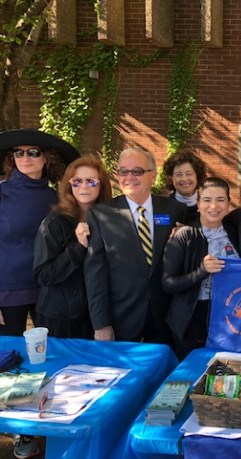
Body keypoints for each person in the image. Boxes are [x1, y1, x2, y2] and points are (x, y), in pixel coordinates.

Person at [0, 129, 79, 459]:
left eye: (33, 152)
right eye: (19, 153)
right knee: (11, 362)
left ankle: (50, 420)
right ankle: (20, 430)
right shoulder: (1, 193)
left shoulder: (56, 198)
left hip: (49, 288)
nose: (25, 158)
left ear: (47, 158)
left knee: (49, 357)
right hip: (7, 290)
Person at [85, 147, 187, 344]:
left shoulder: (175, 210)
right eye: (123, 171)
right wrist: (101, 324)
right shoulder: (100, 215)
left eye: (137, 171)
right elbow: (95, 275)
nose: (129, 177)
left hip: (166, 319)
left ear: (153, 175)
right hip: (121, 318)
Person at [33, 155, 112, 339]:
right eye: (77, 181)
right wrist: (78, 248)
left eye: (91, 181)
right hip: (61, 317)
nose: (84, 187)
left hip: (96, 315)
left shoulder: (109, 220)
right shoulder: (54, 222)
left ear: (101, 185)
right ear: (69, 186)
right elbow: (43, 274)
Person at [162, 178, 238, 359]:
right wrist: (201, 271)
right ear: (198, 204)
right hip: (192, 319)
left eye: (220, 200)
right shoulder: (184, 234)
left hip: (228, 317)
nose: (214, 206)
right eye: (207, 200)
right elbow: (168, 284)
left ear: (228, 204)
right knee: (193, 377)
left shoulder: (233, 230)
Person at [162, 150, 207, 223]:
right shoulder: (163, 208)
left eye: (189, 174)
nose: (184, 179)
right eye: (179, 174)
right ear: (171, 178)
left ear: (197, 176)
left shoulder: (208, 207)